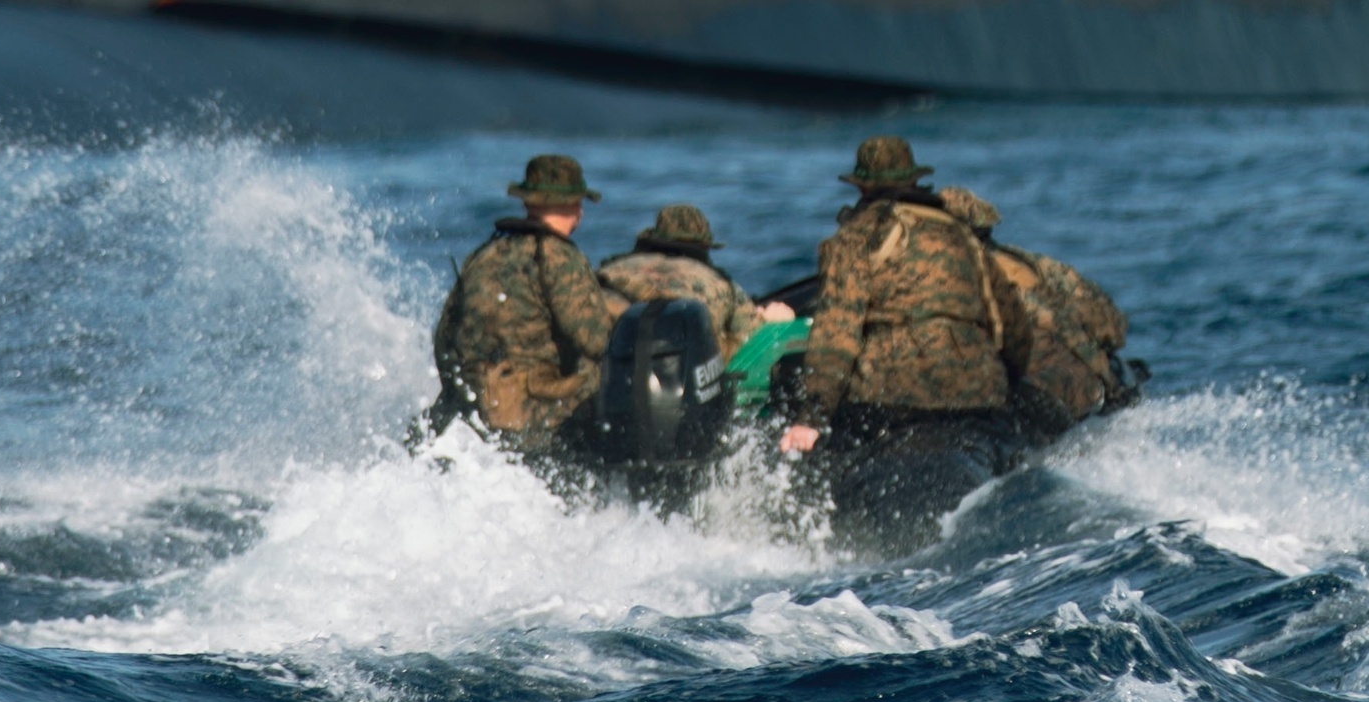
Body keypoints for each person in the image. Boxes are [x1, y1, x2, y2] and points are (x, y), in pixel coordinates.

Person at [778, 137, 1021, 510]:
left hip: (892, 398)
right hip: (976, 394)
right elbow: (1009, 325)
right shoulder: (962, 234)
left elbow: (836, 335)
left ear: (861, 186)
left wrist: (810, 418)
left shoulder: (856, 237)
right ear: (912, 179)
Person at [428, 154, 623, 457]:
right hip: (535, 416)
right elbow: (597, 341)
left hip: (474, 411)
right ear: (573, 206)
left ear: (528, 202)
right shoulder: (559, 257)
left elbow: (444, 337)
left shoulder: (484, 254)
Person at [936, 187, 1136, 438]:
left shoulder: (995, 271)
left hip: (1057, 366)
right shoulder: (1023, 262)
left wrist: (1107, 379)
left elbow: (1061, 325)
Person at [595, 203, 793, 360]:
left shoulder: (609, 270)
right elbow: (752, 340)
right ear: (704, 246)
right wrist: (772, 322)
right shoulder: (720, 284)